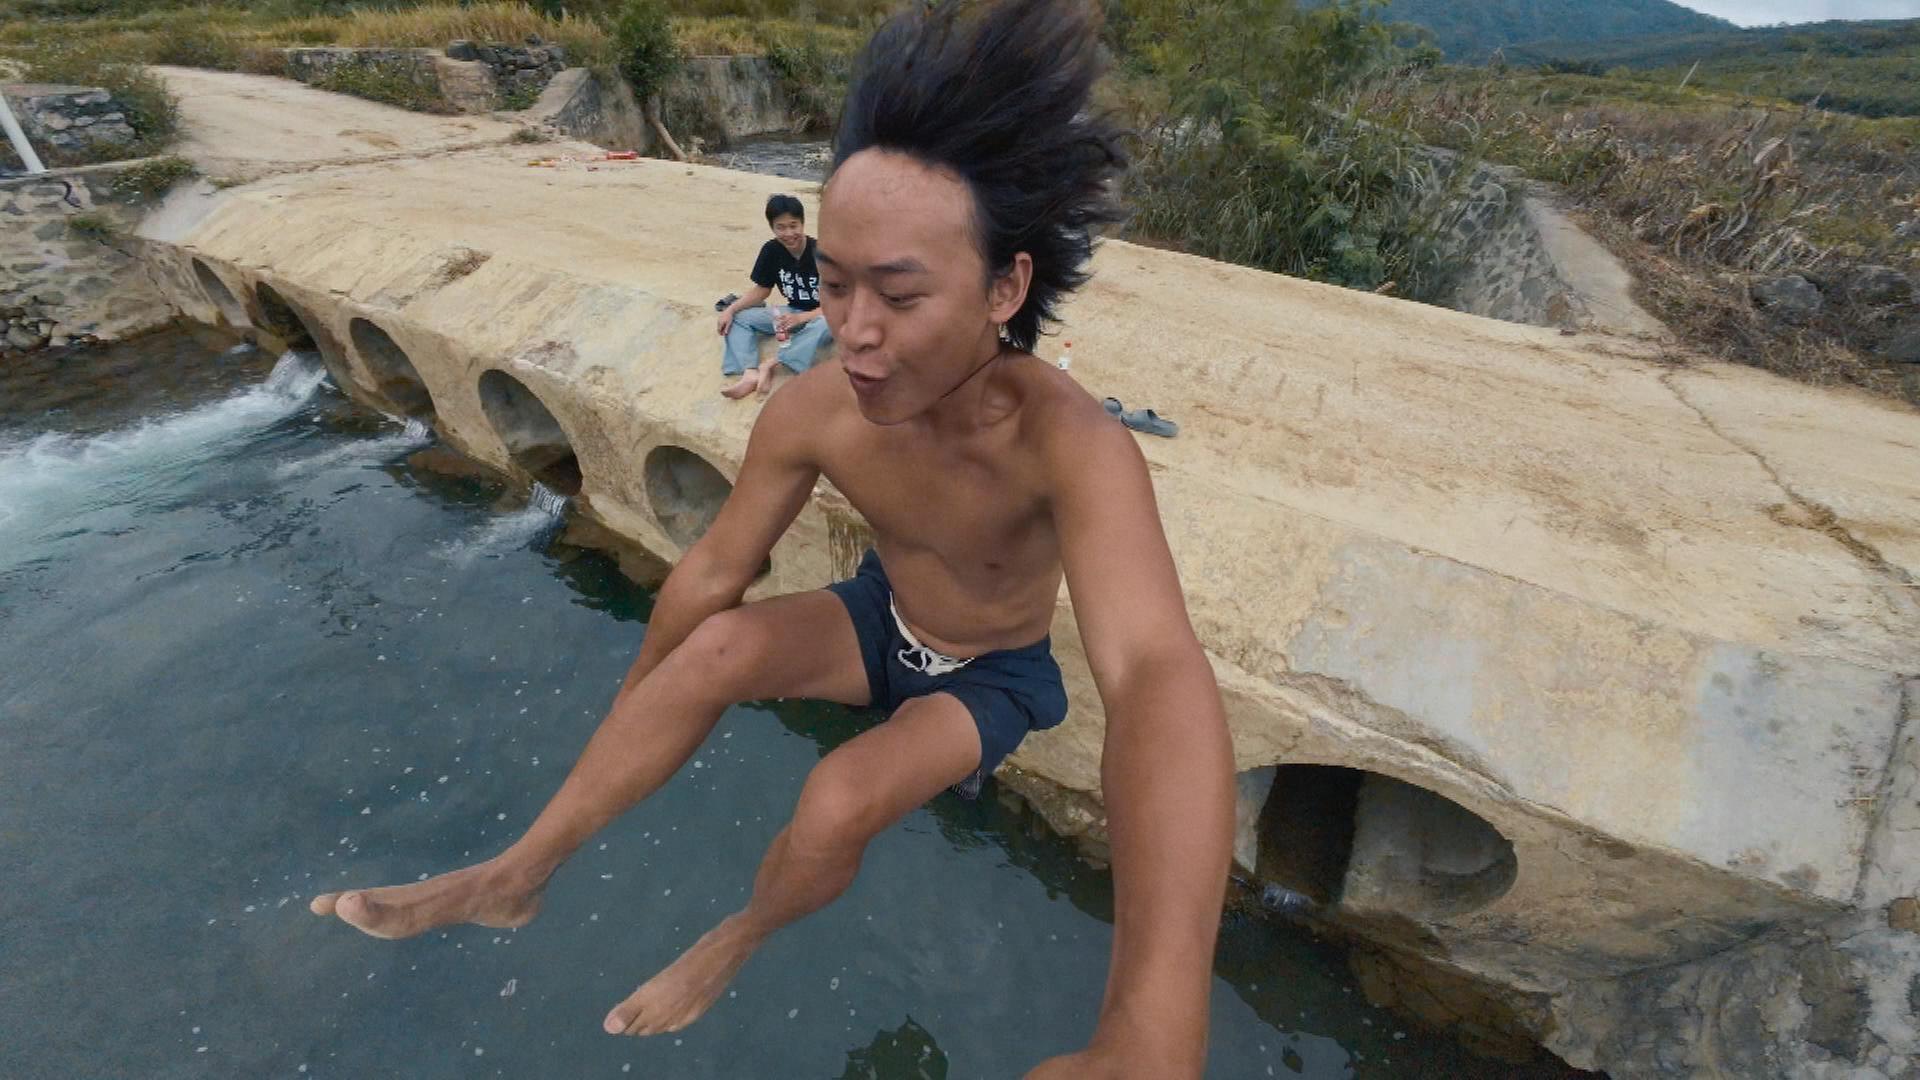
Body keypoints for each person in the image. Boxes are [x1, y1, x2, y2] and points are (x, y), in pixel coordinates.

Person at [308, 2, 1234, 1076]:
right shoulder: (817, 407)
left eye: (899, 294)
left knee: (835, 799)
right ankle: (516, 875)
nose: (856, 331)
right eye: (836, 286)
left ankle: (738, 938)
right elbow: (713, 570)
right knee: (711, 650)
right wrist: (636, 712)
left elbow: (1157, 670)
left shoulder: (1071, 445)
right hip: (880, 619)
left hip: (990, 675)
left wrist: (1153, 1031)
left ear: (1006, 287)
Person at [716, 193, 833, 400]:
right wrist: (730, 309)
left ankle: (774, 363)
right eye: (781, 227)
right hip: (791, 312)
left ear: (803, 224)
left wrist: (802, 318)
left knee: (826, 323)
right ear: (772, 228)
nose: (789, 233)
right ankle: (749, 372)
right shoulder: (771, 251)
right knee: (739, 318)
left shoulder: (821, 254)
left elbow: (839, 303)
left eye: (793, 225)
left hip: (822, 315)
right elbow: (762, 290)